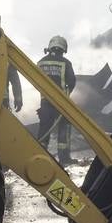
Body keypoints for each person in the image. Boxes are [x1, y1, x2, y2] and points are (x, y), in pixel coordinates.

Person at [37, 35, 77, 164]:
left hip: (45, 102)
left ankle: (40, 158)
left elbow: (36, 81)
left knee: (44, 129)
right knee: (64, 129)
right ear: (63, 49)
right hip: (61, 103)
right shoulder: (66, 63)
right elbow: (72, 81)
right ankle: (64, 158)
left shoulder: (40, 62)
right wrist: (66, 93)